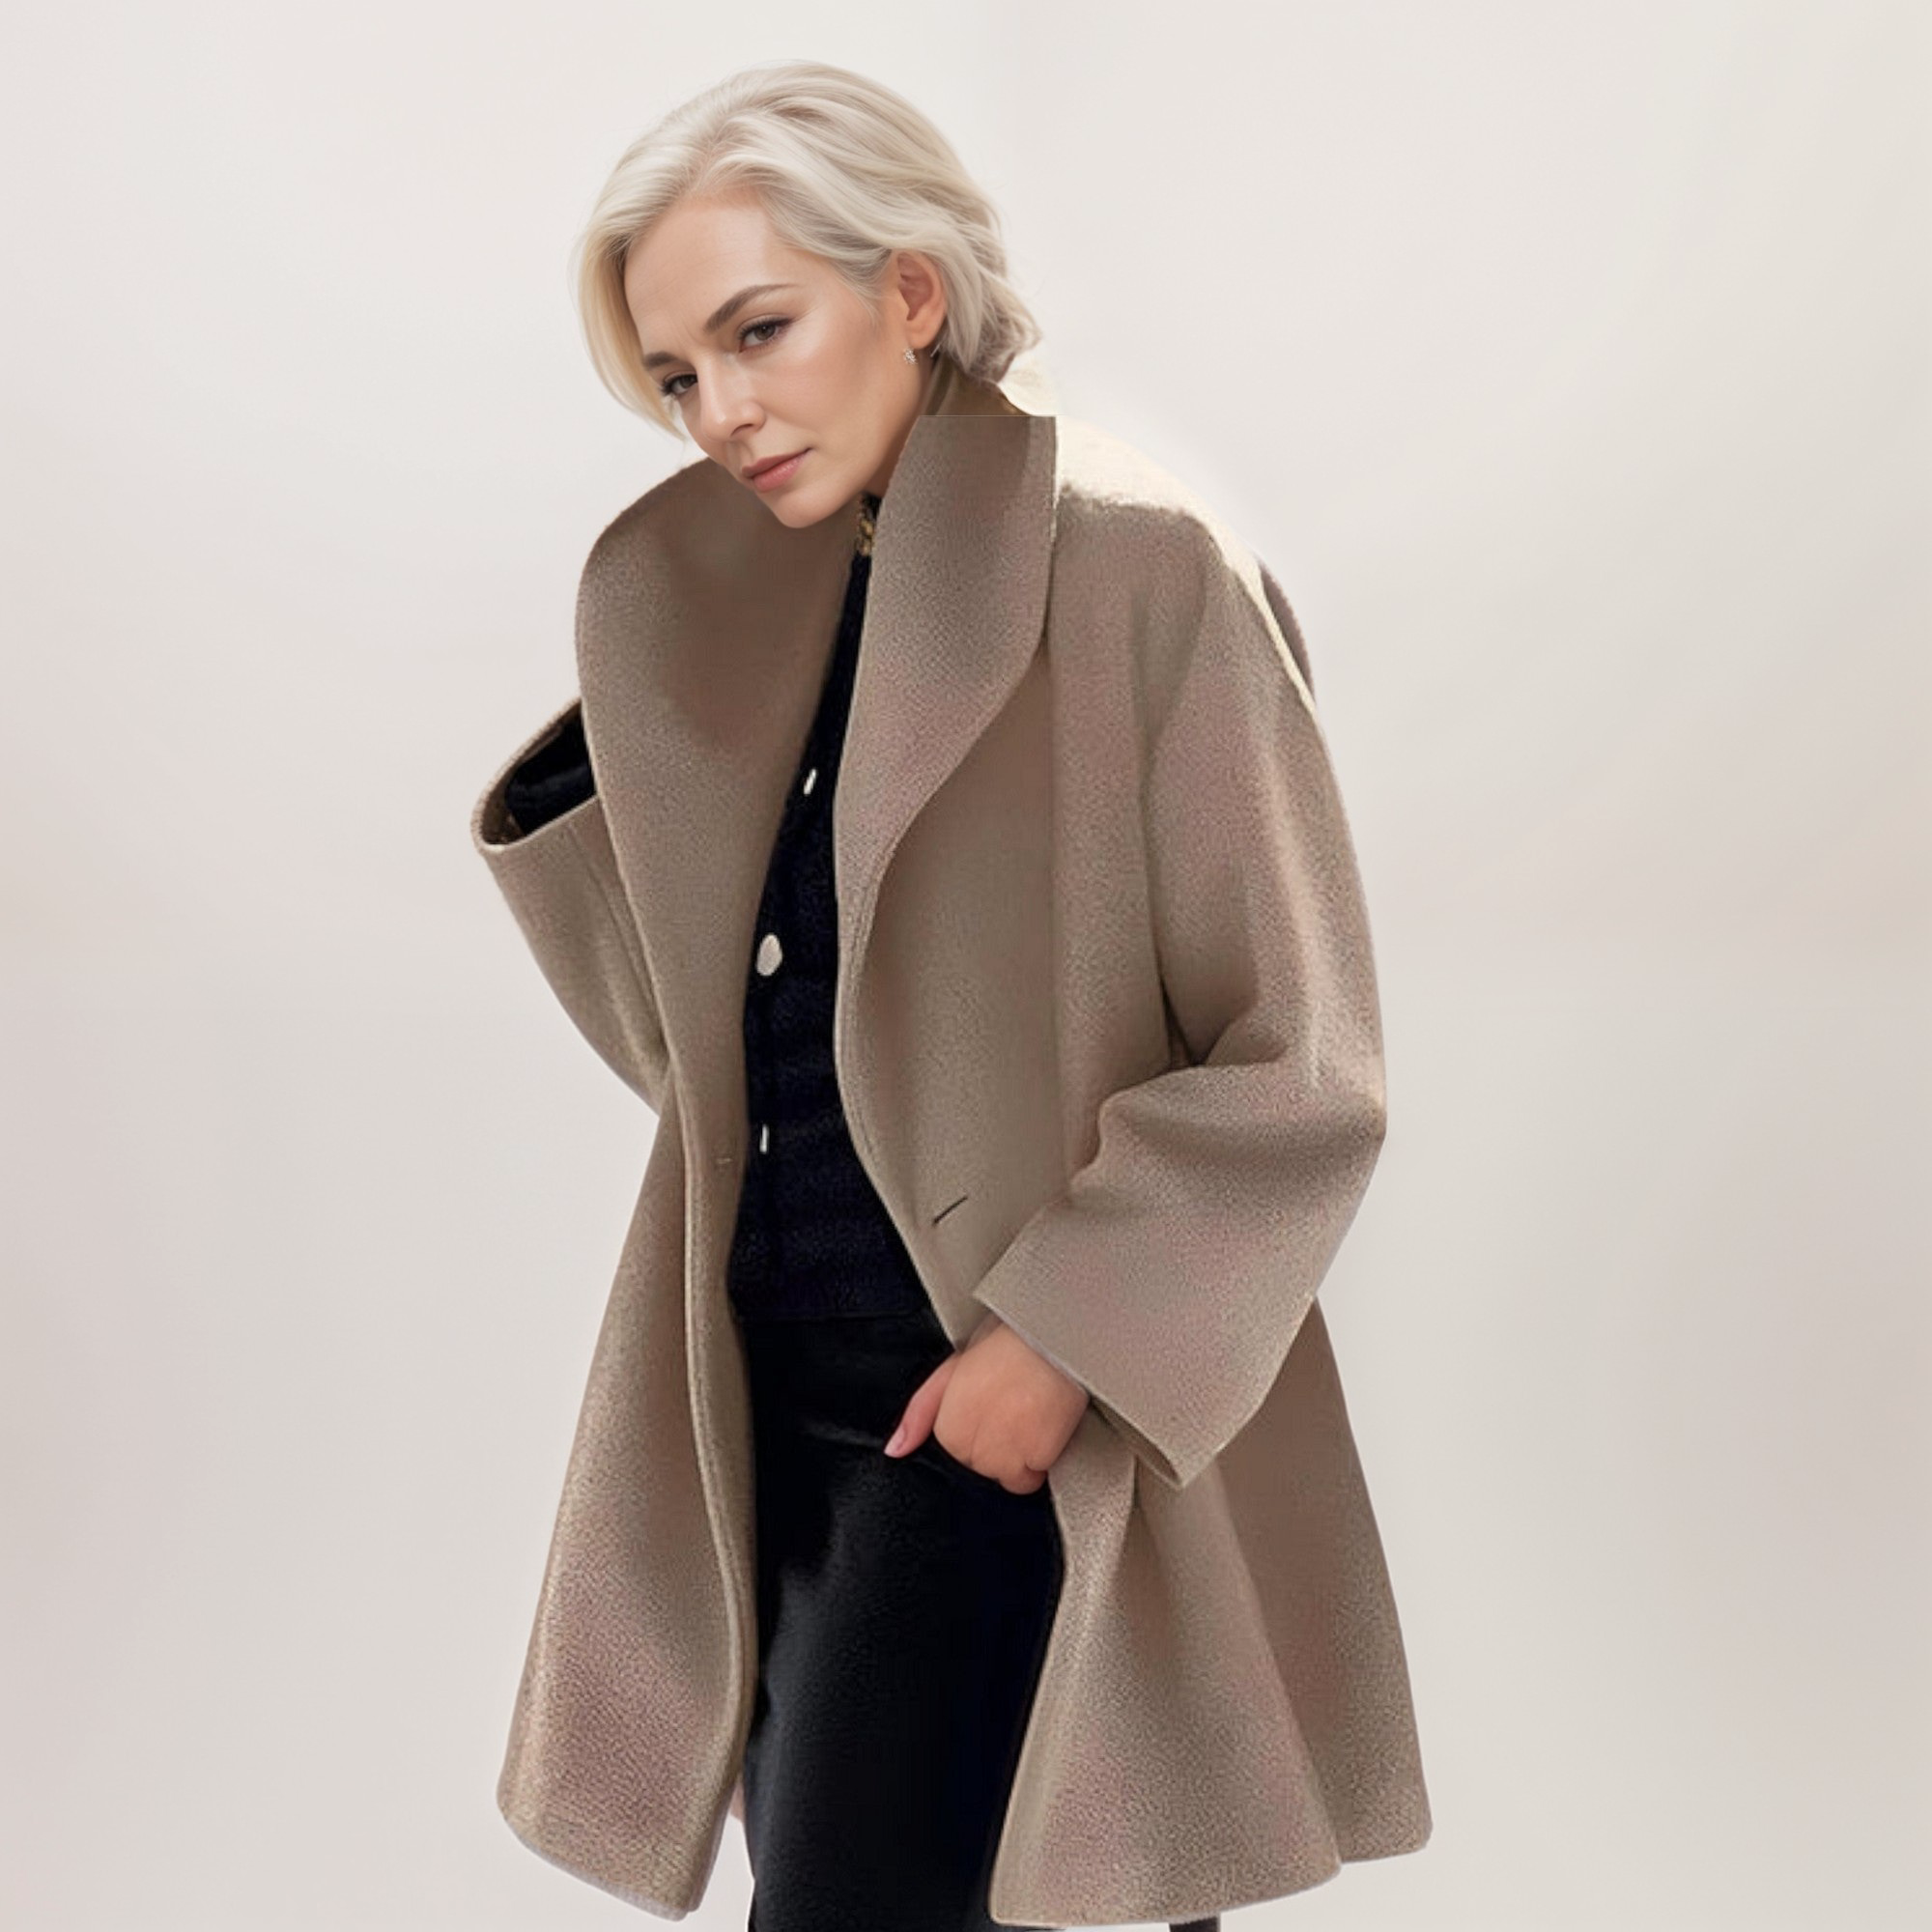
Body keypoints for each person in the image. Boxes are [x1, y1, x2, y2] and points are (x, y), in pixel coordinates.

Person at [473, 55, 1428, 1932]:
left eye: (759, 331)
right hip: (767, 1409)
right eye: (676, 375)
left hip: (985, 1418)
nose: (721, 413)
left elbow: (1302, 1058)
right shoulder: (756, 604)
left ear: (908, 291)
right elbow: (706, 1068)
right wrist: (646, 755)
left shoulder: (1137, 566)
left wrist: (1059, 1344)